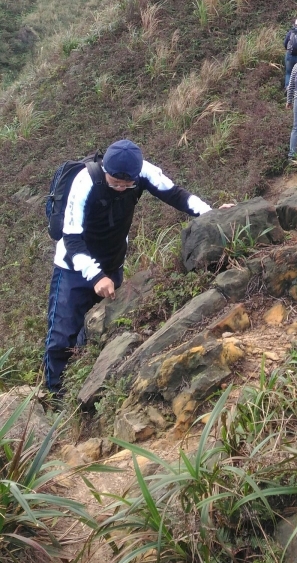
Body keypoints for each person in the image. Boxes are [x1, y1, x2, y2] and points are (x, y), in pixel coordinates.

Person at [44, 139, 215, 395]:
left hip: (112, 264)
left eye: (128, 185)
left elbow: (175, 194)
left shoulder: (143, 171)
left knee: (98, 329)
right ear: (106, 172)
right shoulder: (85, 181)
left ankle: (83, 384)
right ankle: (54, 396)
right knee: (61, 335)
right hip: (72, 268)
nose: (122, 189)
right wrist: (95, 275)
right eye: (115, 183)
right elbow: (72, 238)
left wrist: (209, 213)